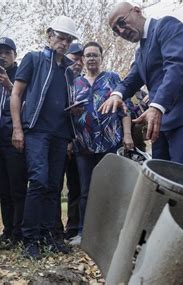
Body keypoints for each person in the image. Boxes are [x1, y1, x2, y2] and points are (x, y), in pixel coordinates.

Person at [99, 2, 183, 168]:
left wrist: (156, 107)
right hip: (161, 122)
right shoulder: (140, 51)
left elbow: (175, 67)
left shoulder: (167, 26)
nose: (121, 31)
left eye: (121, 22)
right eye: (116, 30)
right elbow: (132, 79)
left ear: (137, 11)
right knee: (159, 176)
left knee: (182, 176)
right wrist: (116, 95)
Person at [10, 15, 79, 259]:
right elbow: (16, 94)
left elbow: (66, 104)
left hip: (60, 134)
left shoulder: (69, 72)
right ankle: (30, 240)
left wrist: (75, 114)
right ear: (49, 35)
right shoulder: (33, 59)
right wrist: (17, 129)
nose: (64, 42)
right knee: (38, 181)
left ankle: (50, 236)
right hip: (36, 131)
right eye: (60, 37)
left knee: (53, 186)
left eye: (68, 39)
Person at [69, 41, 134, 246]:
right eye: (87, 55)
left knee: (111, 188)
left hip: (110, 143)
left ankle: (112, 233)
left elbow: (125, 108)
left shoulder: (112, 78)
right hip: (83, 145)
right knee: (86, 190)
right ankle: (83, 233)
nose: (91, 59)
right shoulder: (75, 83)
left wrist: (128, 135)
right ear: (82, 59)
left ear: (101, 57)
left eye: (95, 55)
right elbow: (68, 116)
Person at [0, 37, 27, 249]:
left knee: (17, 189)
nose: (2, 56)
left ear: (14, 54)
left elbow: (28, 104)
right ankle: (7, 230)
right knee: (3, 189)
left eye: (6, 52)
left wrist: (9, 85)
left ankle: (18, 233)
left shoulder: (22, 75)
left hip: (16, 139)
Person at [60, 43, 83, 241]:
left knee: (83, 187)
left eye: (80, 58)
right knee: (70, 187)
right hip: (65, 142)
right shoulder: (62, 82)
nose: (78, 62)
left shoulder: (84, 82)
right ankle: (68, 227)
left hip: (86, 144)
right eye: (74, 58)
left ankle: (82, 227)